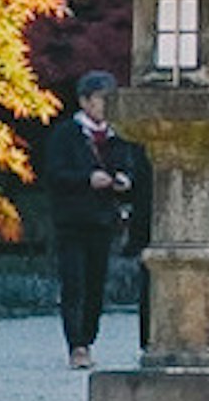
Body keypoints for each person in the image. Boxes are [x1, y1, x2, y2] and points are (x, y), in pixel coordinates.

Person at [32, 76, 134, 368]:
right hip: (71, 220)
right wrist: (86, 179)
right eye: (102, 99)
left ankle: (88, 338)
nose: (106, 107)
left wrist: (124, 179)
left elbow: (130, 166)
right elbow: (53, 174)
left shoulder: (119, 135)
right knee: (73, 284)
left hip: (104, 220)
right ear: (85, 101)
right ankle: (77, 344)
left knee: (96, 285)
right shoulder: (66, 134)